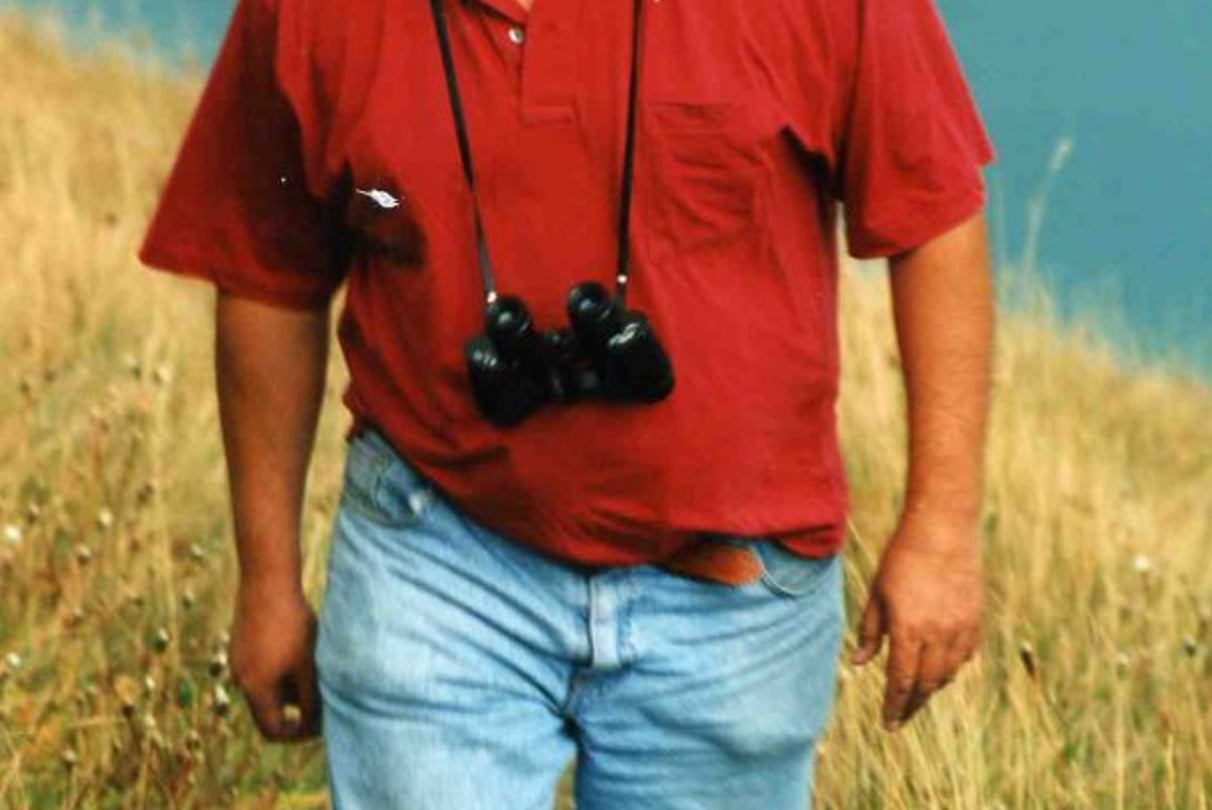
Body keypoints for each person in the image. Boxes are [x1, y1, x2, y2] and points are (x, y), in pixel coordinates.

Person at [140, 0, 993, 805]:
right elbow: (268, 276)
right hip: (436, 557)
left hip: (730, 594)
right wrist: (267, 579)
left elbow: (932, 217)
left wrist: (941, 530)